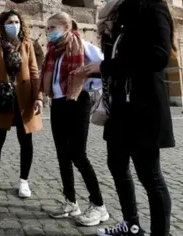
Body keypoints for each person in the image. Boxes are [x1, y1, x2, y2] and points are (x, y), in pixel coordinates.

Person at [73, 0, 175, 236]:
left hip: (144, 105)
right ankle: (131, 224)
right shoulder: (115, 17)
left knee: (149, 175)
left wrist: (105, 67)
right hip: (119, 106)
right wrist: (97, 71)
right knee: (116, 164)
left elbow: (159, 56)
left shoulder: (152, 5)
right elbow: (116, 60)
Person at [41, 12, 109, 226]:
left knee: (78, 154)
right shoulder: (53, 51)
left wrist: (87, 85)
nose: (48, 31)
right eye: (47, 28)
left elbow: (103, 66)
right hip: (58, 103)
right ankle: (70, 202)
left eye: (52, 27)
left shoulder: (82, 45)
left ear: (66, 27)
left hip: (77, 101)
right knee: (62, 154)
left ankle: (99, 205)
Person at [0, 10, 43, 203]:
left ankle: (24, 181)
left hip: (25, 99)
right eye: (10, 22)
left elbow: (34, 73)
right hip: (2, 98)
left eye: (17, 21)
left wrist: (38, 98)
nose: (14, 25)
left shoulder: (27, 45)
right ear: (2, 25)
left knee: (26, 141)